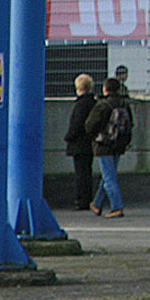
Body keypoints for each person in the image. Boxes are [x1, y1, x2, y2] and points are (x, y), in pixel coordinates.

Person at [84, 76, 132, 217]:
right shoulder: (124, 104)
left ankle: (117, 206)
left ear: (105, 89)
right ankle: (97, 204)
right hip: (119, 144)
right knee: (108, 175)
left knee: (109, 178)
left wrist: (94, 136)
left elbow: (90, 125)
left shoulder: (103, 105)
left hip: (103, 145)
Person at [62, 73, 99, 211]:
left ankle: (82, 200)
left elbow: (76, 125)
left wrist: (68, 137)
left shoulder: (80, 105)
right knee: (87, 172)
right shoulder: (94, 103)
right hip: (90, 142)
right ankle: (88, 199)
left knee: (81, 174)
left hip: (79, 144)